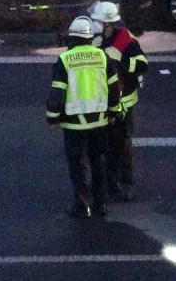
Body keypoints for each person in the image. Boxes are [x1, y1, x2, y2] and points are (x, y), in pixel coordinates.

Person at [46, 15, 121, 218]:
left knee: (78, 164)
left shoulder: (65, 60)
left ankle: (82, 206)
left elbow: (57, 92)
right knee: (98, 161)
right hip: (100, 121)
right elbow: (114, 89)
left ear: (72, 38)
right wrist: (114, 112)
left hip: (74, 124)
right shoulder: (103, 57)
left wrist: (53, 118)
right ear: (90, 38)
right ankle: (101, 204)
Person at [92, 0, 148, 202]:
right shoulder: (95, 40)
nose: (95, 26)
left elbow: (142, 65)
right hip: (103, 102)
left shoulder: (126, 41)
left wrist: (122, 61)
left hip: (123, 103)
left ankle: (126, 183)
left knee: (122, 146)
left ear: (110, 24)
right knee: (103, 146)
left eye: (99, 23)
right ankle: (108, 183)